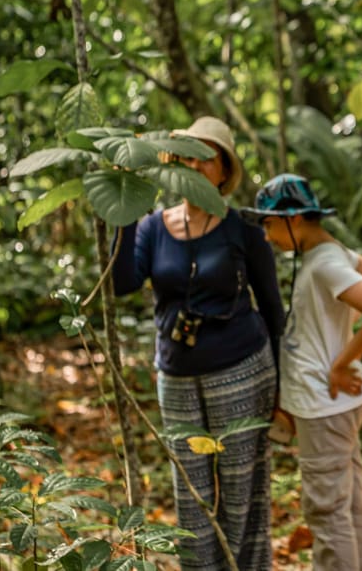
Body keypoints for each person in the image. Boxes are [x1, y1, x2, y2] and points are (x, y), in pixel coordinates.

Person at [112, 116, 285, 570]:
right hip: (177, 377)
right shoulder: (152, 227)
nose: (195, 164)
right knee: (191, 497)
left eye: (207, 157)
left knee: (241, 492)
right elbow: (122, 283)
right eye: (187, 155)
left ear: (224, 170)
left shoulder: (244, 228)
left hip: (244, 371)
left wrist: (284, 392)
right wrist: (125, 207)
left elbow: (272, 310)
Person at [246, 173, 362, 571]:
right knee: (347, 503)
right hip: (331, 404)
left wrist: (341, 361)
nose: (266, 236)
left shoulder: (325, 263)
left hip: (325, 404)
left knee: (327, 513)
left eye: (269, 224)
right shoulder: (329, 254)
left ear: (294, 219)